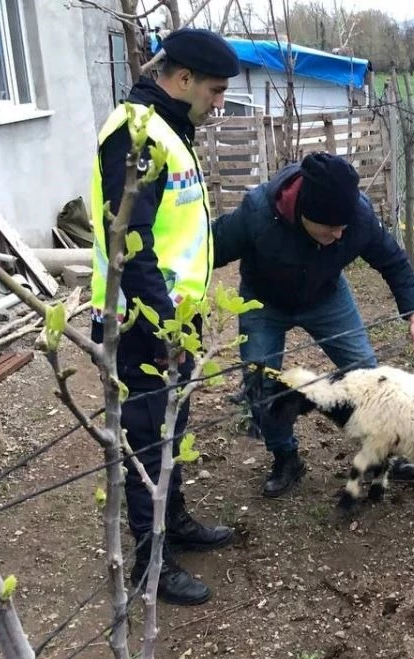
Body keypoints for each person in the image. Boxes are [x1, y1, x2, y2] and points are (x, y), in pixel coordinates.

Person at [89, 28, 240, 606]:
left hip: (173, 316)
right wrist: (161, 325)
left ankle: (172, 521)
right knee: (146, 437)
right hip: (141, 322)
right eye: (216, 89)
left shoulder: (168, 127)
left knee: (171, 427)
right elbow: (127, 240)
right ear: (181, 80)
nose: (220, 101)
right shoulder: (137, 135)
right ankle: (151, 566)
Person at [211, 152, 414, 497]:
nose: (340, 236)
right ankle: (286, 458)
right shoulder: (259, 212)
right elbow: (210, 248)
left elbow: (393, 261)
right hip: (263, 300)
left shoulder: (356, 217)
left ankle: (386, 452)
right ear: (305, 213)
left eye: (344, 228)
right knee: (260, 381)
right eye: (331, 229)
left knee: (368, 375)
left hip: (326, 297)